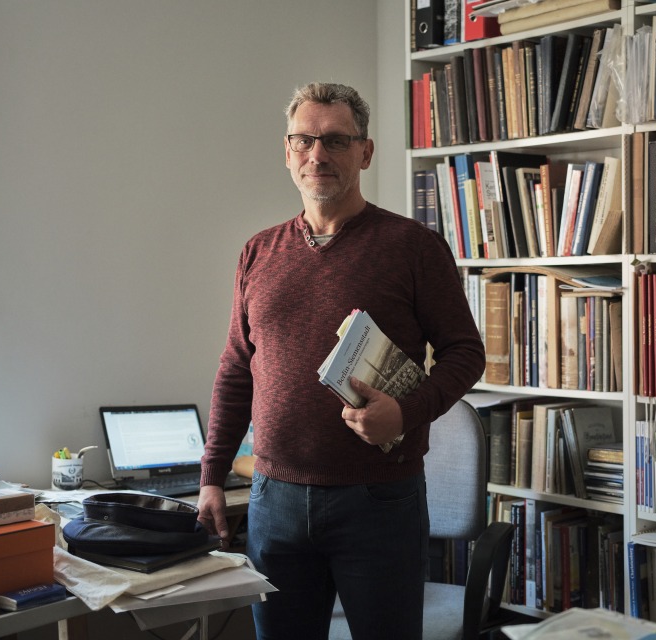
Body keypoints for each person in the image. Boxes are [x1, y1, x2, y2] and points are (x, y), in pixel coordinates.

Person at [197, 82, 485, 640]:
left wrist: (404, 413)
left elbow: (465, 353)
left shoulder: (413, 247)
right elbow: (236, 368)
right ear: (287, 152)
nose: (318, 155)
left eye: (335, 140)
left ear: (365, 152)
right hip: (272, 499)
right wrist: (211, 477)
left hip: (378, 500)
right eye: (304, 140)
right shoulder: (258, 252)